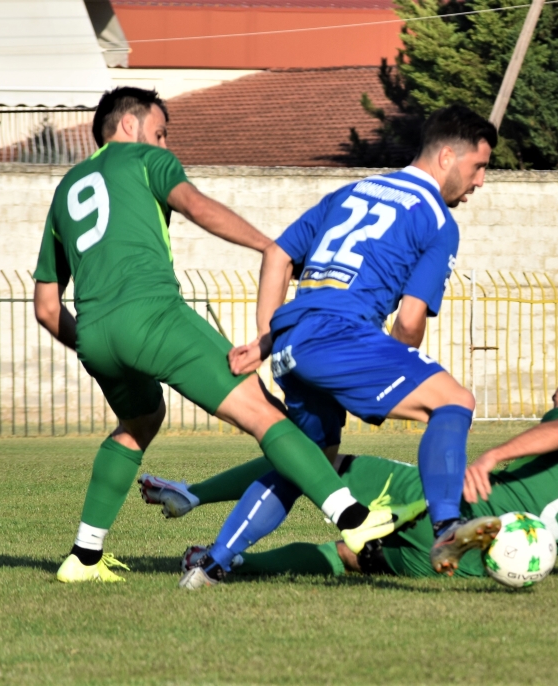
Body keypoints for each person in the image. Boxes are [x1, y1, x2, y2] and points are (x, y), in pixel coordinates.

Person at [33, 87, 392, 584]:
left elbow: (48, 309)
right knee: (263, 412)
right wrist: (273, 248)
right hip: (153, 314)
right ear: (131, 126)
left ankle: (84, 558)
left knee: (141, 419)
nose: (164, 143)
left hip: (94, 331)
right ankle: (354, 519)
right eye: (160, 132)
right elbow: (197, 206)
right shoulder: (143, 159)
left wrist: (95, 341)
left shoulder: (66, 188)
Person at [213, 105, 500, 586]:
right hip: (342, 336)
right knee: (454, 400)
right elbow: (409, 322)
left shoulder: (352, 191)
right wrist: (387, 367)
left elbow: (278, 254)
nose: (480, 182)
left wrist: (267, 338)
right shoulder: (436, 219)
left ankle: (214, 561)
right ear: (448, 156)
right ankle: (448, 526)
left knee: (308, 461)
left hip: (292, 343)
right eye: (479, 167)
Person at [142, 373, 558, 583]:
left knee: (320, 461)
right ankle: (231, 566)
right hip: (463, 570)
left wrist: (493, 457)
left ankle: (195, 495)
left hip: (447, 515)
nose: (551, 414)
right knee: (353, 554)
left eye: (556, 404)